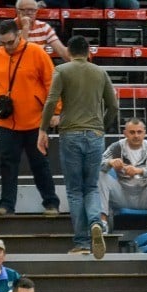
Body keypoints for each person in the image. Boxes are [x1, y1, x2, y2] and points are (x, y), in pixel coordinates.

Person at [38, 34, 118, 257]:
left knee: (75, 190)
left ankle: (82, 242)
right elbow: (113, 106)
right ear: (89, 52)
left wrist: (43, 129)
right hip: (95, 134)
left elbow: (51, 101)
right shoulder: (100, 72)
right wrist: (102, 126)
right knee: (91, 186)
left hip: (70, 133)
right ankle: (95, 222)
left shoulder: (62, 71)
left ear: (69, 52)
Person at [0, 19, 60, 217]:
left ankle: (51, 203)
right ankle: (6, 205)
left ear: (19, 35)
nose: (7, 47)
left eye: (10, 42)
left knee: (40, 163)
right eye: (3, 43)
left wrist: (56, 112)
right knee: (7, 164)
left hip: (35, 121)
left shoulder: (37, 52)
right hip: (6, 122)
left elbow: (52, 83)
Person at [99, 118, 147, 231]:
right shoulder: (116, 147)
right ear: (125, 133)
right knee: (101, 175)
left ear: (144, 133)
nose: (136, 136)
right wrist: (110, 162)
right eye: (132, 132)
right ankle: (102, 223)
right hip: (122, 195)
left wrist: (141, 171)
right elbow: (97, 165)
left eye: (139, 132)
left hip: (145, 196)